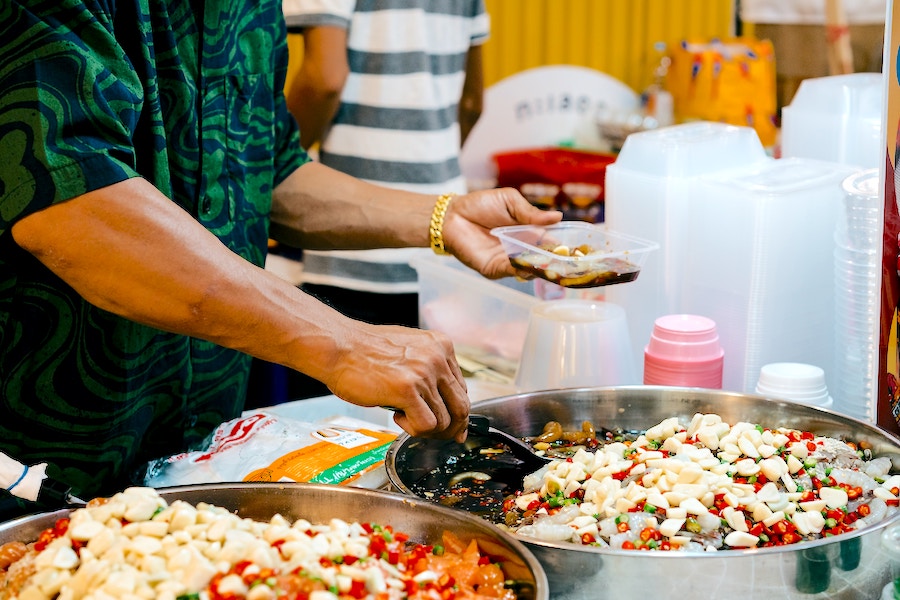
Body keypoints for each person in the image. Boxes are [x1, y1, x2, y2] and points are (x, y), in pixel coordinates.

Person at [0, 0, 561, 521]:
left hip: (200, 451)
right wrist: (342, 341)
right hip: (40, 460)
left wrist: (442, 217)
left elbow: (267, 170)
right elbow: (72, 201)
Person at [281, 0, 488, 329]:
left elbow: (325, 80)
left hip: (349, 243)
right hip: (446, 245)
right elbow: (472, 102)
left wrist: (274, 165)